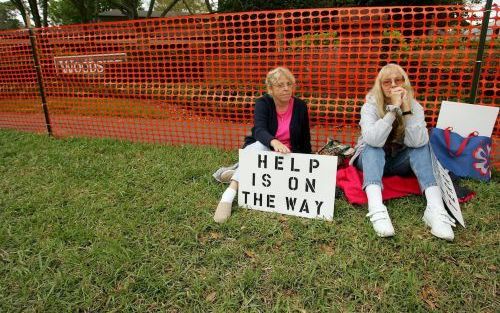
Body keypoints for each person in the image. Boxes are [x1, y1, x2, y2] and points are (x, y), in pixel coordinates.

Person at [350, 63, 456, 240]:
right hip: (371, 159)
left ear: (404, 82)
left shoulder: (415, 106)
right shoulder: (370, 106)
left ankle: (435, 209)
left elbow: (417, 142)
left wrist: (406, 109)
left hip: (398, 160)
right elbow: (373, 139)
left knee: (422, 144)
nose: (393, 84)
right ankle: (376, 208)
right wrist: (392, 111)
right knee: (373, 146)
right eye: (387, 82)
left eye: (398, 80)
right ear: (380, 86)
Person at [213, 67, 312, 223]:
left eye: (289, 84)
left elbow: (305, 138)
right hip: (264, 146)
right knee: (259, 148)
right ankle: (229, 194)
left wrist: (309, 164)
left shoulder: (300, 106)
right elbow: (259, 130)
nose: (286, 88)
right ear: (270, 89)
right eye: (280, 85)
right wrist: (274, 142)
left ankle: (238, 169)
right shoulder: (263, 103)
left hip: (288, 154)